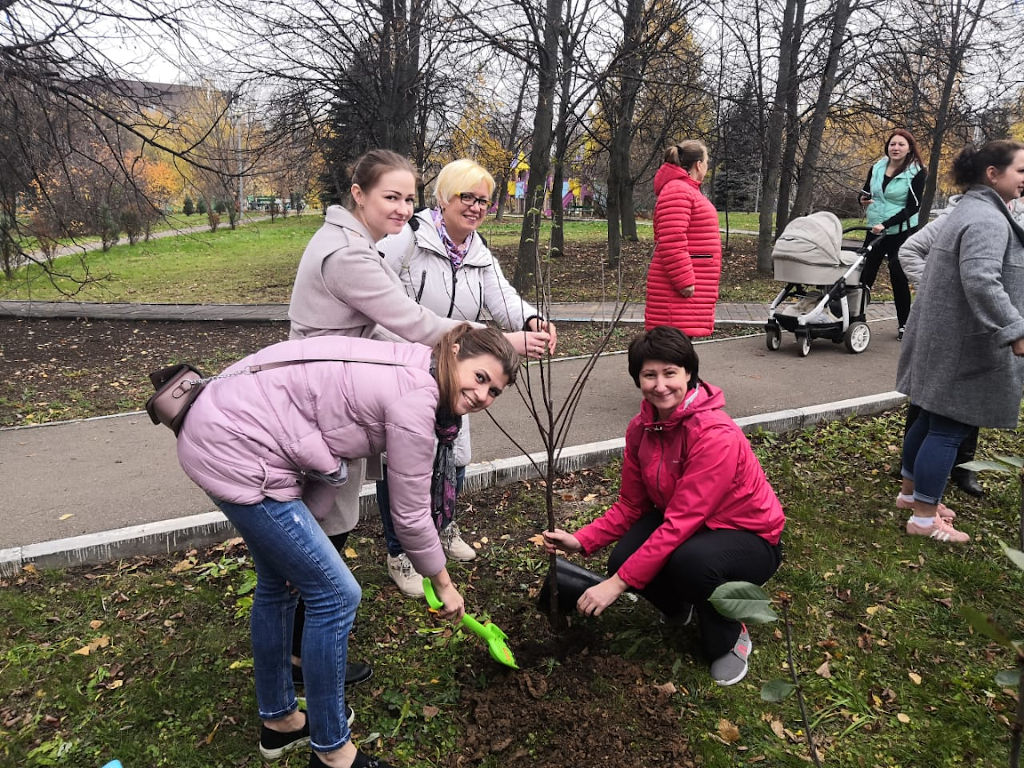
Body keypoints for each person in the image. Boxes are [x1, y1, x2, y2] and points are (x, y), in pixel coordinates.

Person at [175, 324, 520, 768]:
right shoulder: (416, 402)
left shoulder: (414, 365)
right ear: (454, 352)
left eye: (494, 391)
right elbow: (410, 515)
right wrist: (443, 581)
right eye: (480, 378)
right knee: (337, 595)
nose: (483, 396)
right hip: (237, 448)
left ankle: (280, 722)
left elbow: (332, 430)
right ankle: (333, 752)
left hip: (221, 424)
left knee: (278, 583)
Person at [542, 326, 785, 686]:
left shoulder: (714, 434)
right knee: (624, 557)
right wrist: (583, 540)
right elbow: (631, 505)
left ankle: (729, 635)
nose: (660, 385)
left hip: (748, 536)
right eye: (649, 375)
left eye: (670, 373)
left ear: (689, 373)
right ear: (637, 378)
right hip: (690, 524)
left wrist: (617, 585)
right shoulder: (641, 429)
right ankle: (679, 606)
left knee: (692, 564)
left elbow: (682, 522)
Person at [376, 157, 557, 596]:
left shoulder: (477, 253)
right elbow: (385, 304)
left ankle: (443, 528)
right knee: (403, 463)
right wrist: (495, 339)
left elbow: (505, 300)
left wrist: (533, 321)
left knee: (454, 455)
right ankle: (399, 551)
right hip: (407, 368)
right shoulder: (409, 239)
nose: (475, 207)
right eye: (466, 197)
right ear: (443, 198)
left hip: (458, 370)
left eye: (483, 200)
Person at [896, 139, 1024, 544]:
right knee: (948, 429)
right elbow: (982, 281)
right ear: (993, 173)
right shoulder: (987, 219)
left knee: (931, 418)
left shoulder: (968, 209)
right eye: (1020, 170)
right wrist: (1015, 330)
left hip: (945, 336)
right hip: (964, 343)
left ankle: (911, 495)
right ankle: (923, 517)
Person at [897, 194, 983, 499]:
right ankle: (913, 471)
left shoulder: (1012, 217)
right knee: (927, 398)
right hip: (943, 323)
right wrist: (935, 289)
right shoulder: (956, 216)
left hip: (980, 325)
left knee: (969, 402)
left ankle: (962, 466)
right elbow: (909, 250)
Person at [645, 141, 722, 337]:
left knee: (678, 359)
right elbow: (671, 239)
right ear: (698, 164)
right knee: (671, 358)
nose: (707, 166)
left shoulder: (685, 190)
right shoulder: (678, 190)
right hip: (678, 291)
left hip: (686, 292)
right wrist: (684, 281)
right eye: (706, 161)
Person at [857, 129, 927, 340]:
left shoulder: (917, 172)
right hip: (875, 227)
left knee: (898, 275)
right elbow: (866, 190)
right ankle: (856, 318)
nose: (895, 148)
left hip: (901, 230)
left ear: (909, 149)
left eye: (901, 145)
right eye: (892, 144)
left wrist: (886, 224)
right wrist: (862, 198)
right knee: (865, 275)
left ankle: (904, 324)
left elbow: (913, 207)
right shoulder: (877, 167)